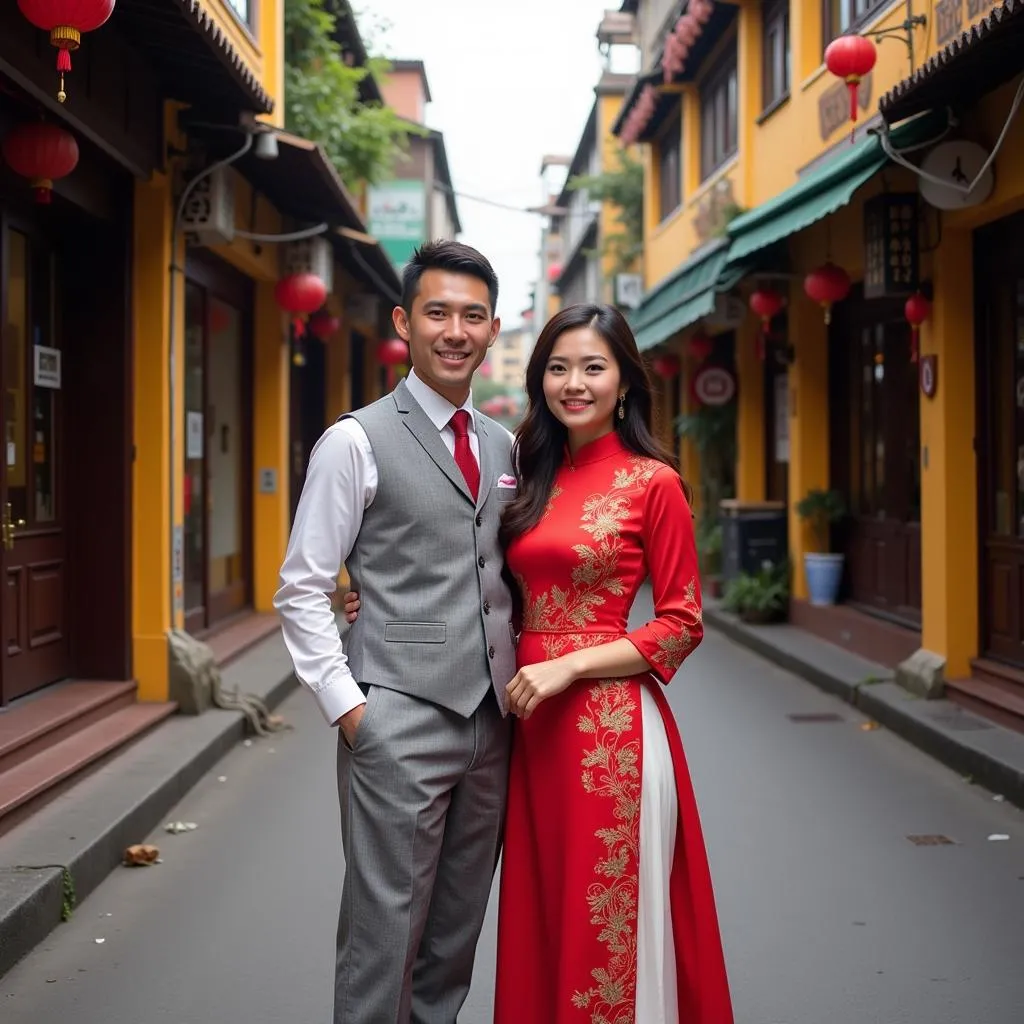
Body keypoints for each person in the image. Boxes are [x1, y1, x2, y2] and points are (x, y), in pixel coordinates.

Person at [274, 240, 518, 1024]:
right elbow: (303, 587)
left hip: (493, 724)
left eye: (472, 316)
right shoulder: (355, 439)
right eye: (438, 312)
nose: (455, 330)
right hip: (397, 715)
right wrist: (352, 712)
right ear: (404, 323)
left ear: (493, 329)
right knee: (385, 939)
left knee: (453, 940)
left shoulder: (503, 445)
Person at [492, 303, 733, 1023]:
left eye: (593, 367)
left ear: (624, 382)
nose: (574, 383)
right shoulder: (525, 472)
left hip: (608, 733)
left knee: (605, 925)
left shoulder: (653, 482)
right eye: (558, 368)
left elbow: (681, 623)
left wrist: (568, 668)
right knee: (543, 911)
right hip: (530, 731)